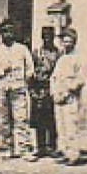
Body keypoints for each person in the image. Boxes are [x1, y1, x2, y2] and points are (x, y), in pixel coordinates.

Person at [0, 19, 35, 159]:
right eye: (4, 32)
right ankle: (8, 147)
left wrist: (22, 79)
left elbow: (30, 69)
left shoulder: (22, 49)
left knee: (21, 118)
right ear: (1, 34)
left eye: (10, 31)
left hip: (18, 88)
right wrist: (2, 71)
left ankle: (24, 148)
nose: (7, 34)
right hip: (1, 89)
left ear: (14, 33)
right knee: (3, 120)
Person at [49, 28, 87, 163]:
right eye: (64, 41)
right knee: (61, 127)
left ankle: (73, 154)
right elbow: (54, 77)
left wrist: (68, 91)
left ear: (74, 42)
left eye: (69, 41)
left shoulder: (78, 58)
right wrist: (54, 92)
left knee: (71, 126)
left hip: (70, 98)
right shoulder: (61, 59)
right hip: (58, 96)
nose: (66, 44)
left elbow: (80, 80)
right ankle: (64, 152)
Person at [30, 26, 60, 158]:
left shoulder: (58, 53)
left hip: (51, 87)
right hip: (38, 87)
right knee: (39, 119)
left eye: (50, 37)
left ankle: (52, 146)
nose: (47, 39)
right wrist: (32, 89)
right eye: (45, 37)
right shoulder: (36, 52)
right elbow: (31, 70)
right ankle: (40, 146)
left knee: (51, 119)